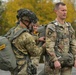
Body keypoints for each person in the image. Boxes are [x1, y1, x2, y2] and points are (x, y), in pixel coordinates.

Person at [5, 8, 43, 75]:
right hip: (24, 70)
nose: (32, 25)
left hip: (14, 67)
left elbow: (21, 40)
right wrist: (44, 46)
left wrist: (37, 39)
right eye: (31, 23)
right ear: (26, 22)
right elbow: (36, 53)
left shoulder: (12, 31)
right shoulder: (27, 36)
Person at [45, 2, 76, 75]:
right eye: (62, 10)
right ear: (56, 11)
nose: (65, 12)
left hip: (67, 62)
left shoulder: (69, 26)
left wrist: (75, 58)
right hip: (55, 64)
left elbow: (73, 44)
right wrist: (55, 60)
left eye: (66, 10)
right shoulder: (52, 27)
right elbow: (49, 46)